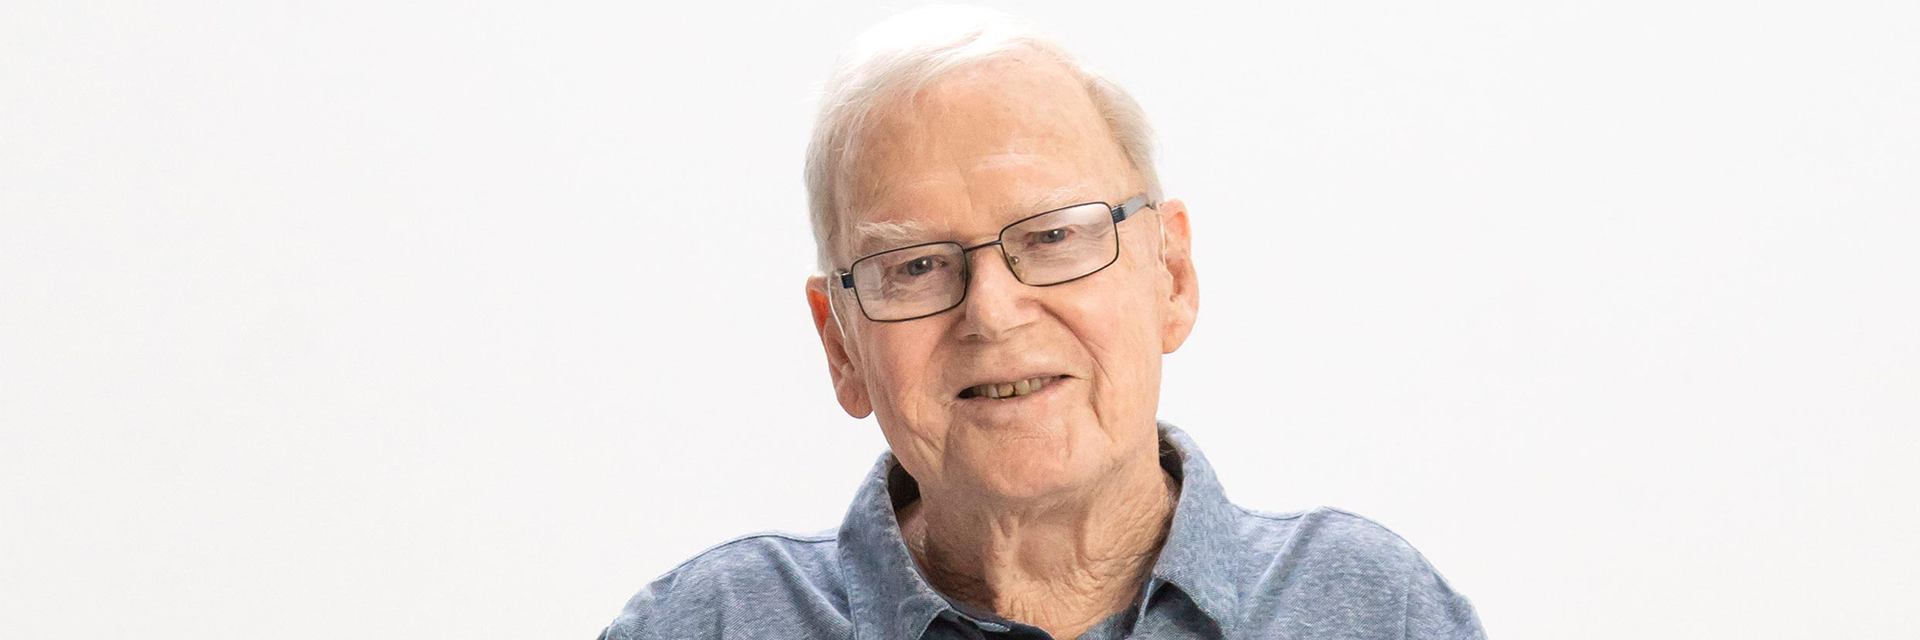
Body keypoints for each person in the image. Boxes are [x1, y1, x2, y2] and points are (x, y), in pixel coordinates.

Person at [600, 6, 1484, 639]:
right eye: (914, 266)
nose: (991, 309)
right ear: (842, 345)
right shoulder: (708, 625)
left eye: (1056, 236)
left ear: (1171, 276)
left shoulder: (1377, 610)